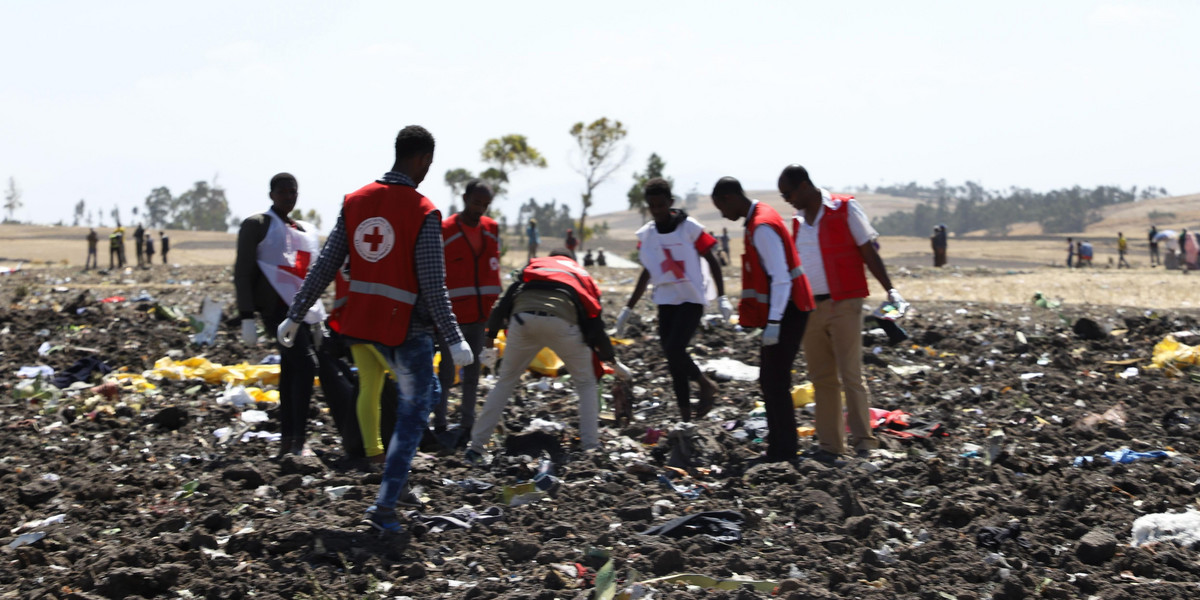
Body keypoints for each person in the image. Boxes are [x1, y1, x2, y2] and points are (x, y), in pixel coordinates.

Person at [278, 125, 473, 535]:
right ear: (422, 160)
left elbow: (326, 264)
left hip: (363, 326)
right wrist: (455, 338)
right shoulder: (424, 211)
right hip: (408, 330)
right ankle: (385, 507)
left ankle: (394, 485)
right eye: (428, 165)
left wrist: (295, 313)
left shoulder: (355, 202)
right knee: (414, 414)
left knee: (421, 395)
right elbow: (433, 284)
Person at [781, 164, 901, 462]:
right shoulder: (797, 222)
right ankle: (831, 446)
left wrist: (890, 289)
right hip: (811, 307)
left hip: (845, 302)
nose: (787, 200)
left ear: (804, 186)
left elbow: (868, 250)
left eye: (789, 193)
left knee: (850, 374)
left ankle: (863, 442)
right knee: (823, 378)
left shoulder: (844, 208)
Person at [467, 251, 631, 463]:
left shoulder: (534, 269)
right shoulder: (579, 274)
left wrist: (489, 345)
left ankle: (476, 448)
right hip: (562, 321)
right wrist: (613, 361)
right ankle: (591, 447)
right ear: (571, 261)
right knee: (585, 382)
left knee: (505, 383)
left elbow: (500, 307)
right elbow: (595, 322)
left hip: (522, 320)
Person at [711, 176, 815, 463]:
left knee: (774, 381)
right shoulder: (760, 218)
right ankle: (781, 448)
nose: (722, 214)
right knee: (773, 380)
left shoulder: (761, 226)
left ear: (730, 198)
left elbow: (781, 279)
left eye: (720, 206)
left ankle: (783, 451)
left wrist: (774, 323)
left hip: (789, 309)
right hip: (789, 308)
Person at [616, 177, 729, 421]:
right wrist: (628, 308)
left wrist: (722, 297)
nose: (657, 210)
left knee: (675, 348)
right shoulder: (647, 235)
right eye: (652, 206)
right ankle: (685, 417)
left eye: (661, 205)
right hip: (666, 300)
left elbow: (712, 259)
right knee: (673, 357)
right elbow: (647, 271)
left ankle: (706, 385)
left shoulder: (689, 227)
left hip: (691, 299)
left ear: (670, 202)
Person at [234, 173, 326, 457]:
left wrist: (318, 316)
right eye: (283, 192)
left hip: (302, 311)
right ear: (272, 194)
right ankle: (297, 439)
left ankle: (289, 440)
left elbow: (309, 274)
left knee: (291, 372)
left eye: (293, 192)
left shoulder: (304, 231)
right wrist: (246, 315)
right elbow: (243, 270)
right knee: (306, 366)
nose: (289, 197)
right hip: (275, 310)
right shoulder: (257, 225)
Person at [435, 179, 500, 441]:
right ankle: (439, 424)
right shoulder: (445, 230)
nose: (480, 209)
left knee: (473, 373)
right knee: (447, 372)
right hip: (451, 316)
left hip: (480, 314)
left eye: (485, 205)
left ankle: (466, 425)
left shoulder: (491, 229)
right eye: (476, 203)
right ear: (464, 198)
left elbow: (493, 268)